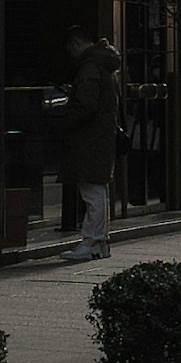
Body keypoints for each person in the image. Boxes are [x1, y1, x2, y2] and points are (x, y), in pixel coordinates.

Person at [55, 26, 126, 262]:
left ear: (76, 44)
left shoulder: (89, 68)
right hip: (101, 136)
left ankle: (92, 240)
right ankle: (99, 240)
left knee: (91, 189)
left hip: (89, 137)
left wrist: (68, 117)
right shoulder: (104, 66)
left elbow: (86, 105)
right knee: (98, 189)